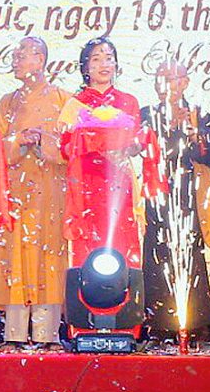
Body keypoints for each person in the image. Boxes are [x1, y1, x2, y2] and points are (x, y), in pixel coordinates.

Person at [0, 35, 69, 346]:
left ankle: (48, 334)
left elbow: (72, 147)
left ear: (40, 60)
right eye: (15, 56)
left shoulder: (64, 100)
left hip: (50, 193)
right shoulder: (6, 103)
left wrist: (45, 140)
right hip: (16, 193)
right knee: (15, 257)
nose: (15, 62)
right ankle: (14, 334)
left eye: (21, 56)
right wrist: (18, 140)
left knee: (50, 258)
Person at [141, 60, 210, 344]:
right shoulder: (147, 114)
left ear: (185, 83)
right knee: (156, 255)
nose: (167, 84)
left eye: (174, 78)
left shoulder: (198, 114)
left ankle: (197, 325)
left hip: (189, 195)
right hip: (157, 195)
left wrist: (195, 134)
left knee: (191, 255)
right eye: (161, 77)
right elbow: (136, 149)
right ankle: (158, 325)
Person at [55, 36, 146, 266]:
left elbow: (137, 140)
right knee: (89, 249)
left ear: (116, 64)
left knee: (123, 245)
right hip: (87, 184)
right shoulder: (75, 104)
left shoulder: (128, 102)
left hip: (119, 181)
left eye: (108, 58)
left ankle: (125, 290)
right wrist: (90, 142)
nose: (104, 64)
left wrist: (131, 147)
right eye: (96, 59)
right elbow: (65, 149)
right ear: (85, 67)